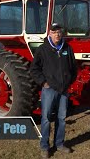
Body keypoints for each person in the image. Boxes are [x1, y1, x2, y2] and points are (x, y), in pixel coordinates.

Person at [30, 23, 77, 158]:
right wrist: (43, 83)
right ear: (49, 33)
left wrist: (69, 81)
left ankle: (59, 144)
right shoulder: (42, 49)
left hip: (64, 90)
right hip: (49, 90)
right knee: (46, 118)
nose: (57, 34)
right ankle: (44, 146)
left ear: (61, 33)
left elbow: (73, 68)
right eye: (54, 31)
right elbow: (34, 69)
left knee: (61, 118)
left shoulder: (67, 48)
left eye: (59, 32)